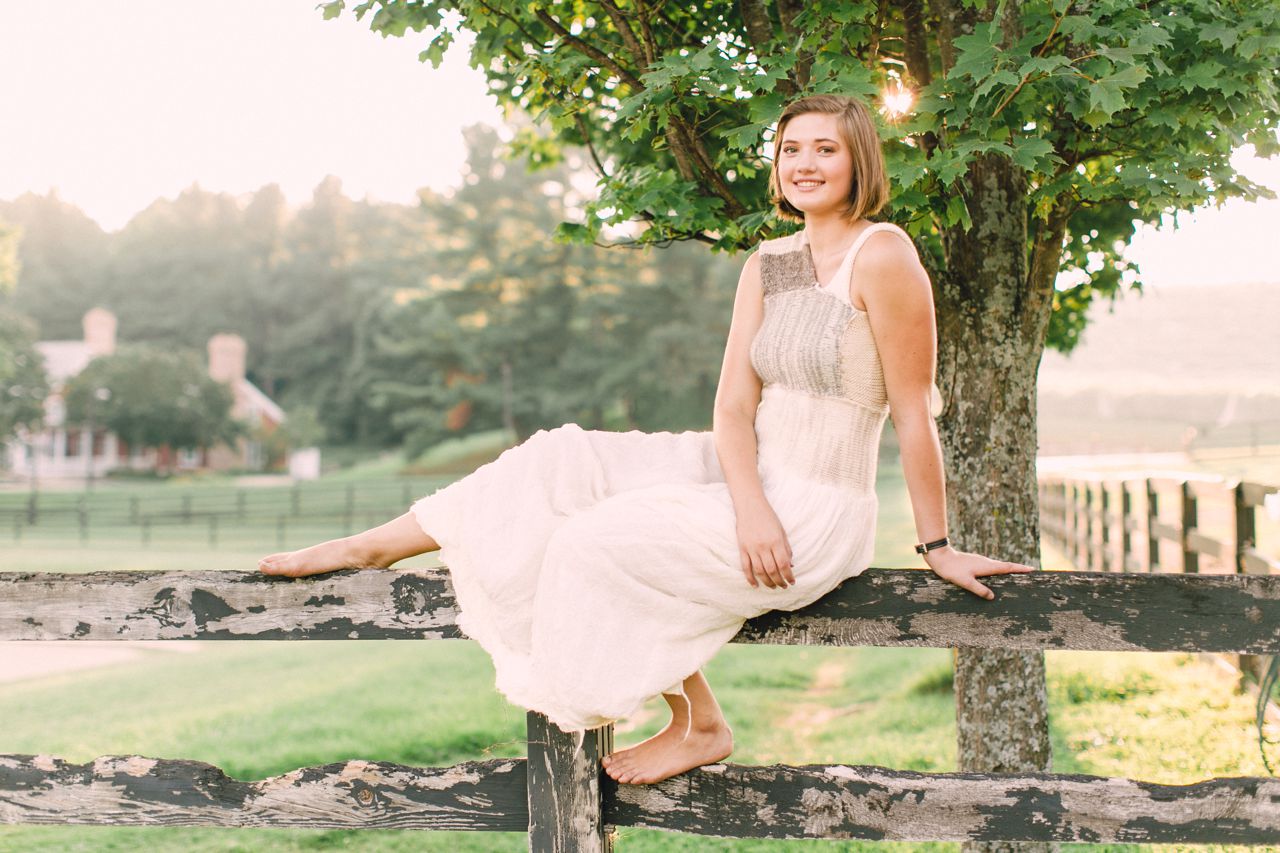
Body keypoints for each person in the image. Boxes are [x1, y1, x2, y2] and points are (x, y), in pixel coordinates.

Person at [258, 93, 1036, 786]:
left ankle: (702, 723)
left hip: (815, 509)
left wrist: (936, 545)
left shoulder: (886, 253)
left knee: (596, 540)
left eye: (824, 148)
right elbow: (731, 408)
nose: (804, 163)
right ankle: (372, 545)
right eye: (790, 148)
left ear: (858, 159)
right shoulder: (769, 264)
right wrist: (748, 503)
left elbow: (911, 412)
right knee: (562, 459)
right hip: (747, 474)